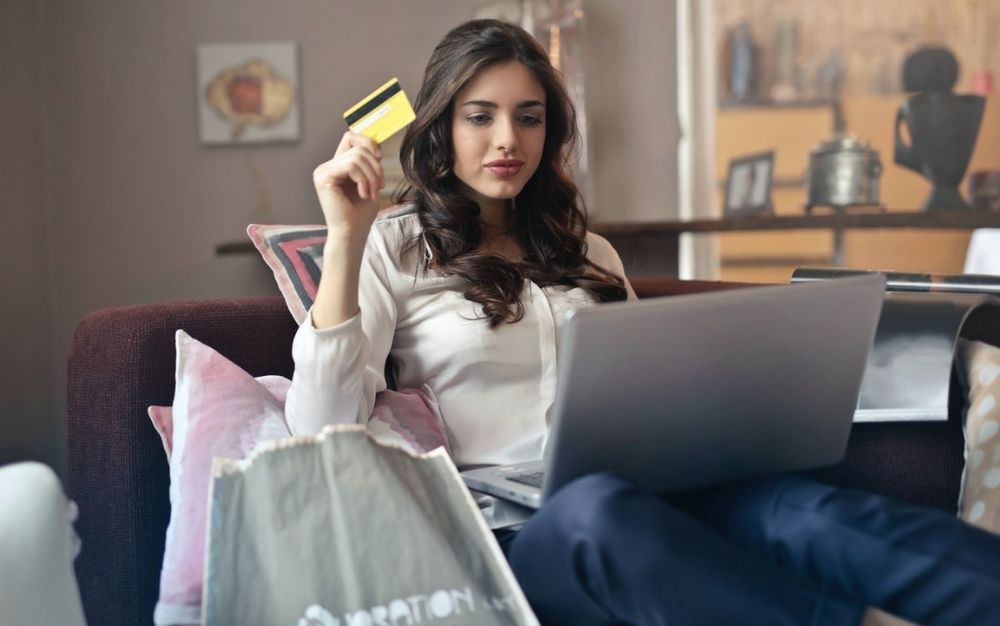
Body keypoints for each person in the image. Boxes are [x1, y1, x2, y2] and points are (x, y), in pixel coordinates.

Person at [286, 18, 1000, 626]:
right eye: (481, 115)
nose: (508, 139)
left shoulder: (587, 251)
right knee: (597, 513)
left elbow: (644, 387)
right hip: (526, 535)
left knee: (799, 510)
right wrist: (345, 239)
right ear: (442, 124)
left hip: (658, 491)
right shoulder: (394, 247)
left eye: (529, 116)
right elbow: (320, 429)